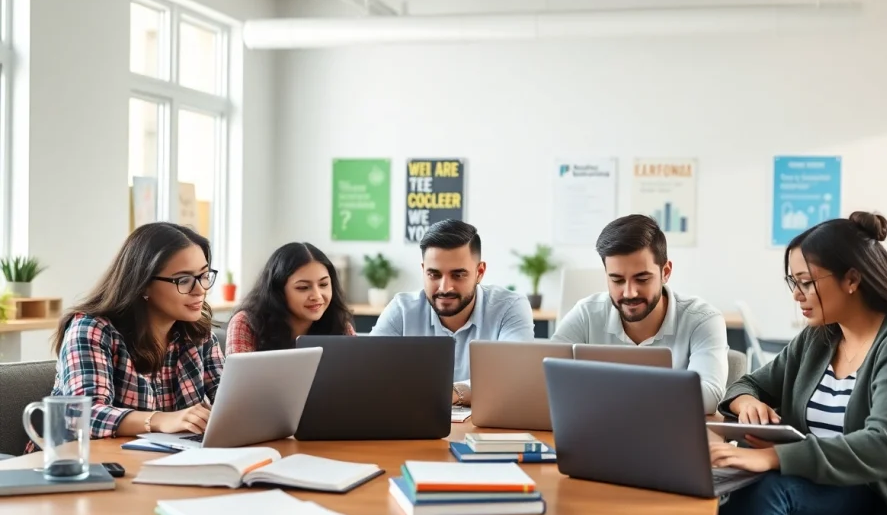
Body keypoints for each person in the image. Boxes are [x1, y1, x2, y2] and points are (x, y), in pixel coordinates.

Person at [710, 211, 887, 515]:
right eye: (793, 282)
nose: (797, 295)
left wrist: (772, 457)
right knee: (746, 489)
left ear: (852, 279)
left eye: (806, 282)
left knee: (768, 492)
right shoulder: (821, 337)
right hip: (823, 494)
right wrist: (746, 401)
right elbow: (747, 383)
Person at [29, 222, 224, 451]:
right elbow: (82, 415)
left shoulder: (199, 334)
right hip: (75, 462)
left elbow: (231, 400)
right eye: (183, 280)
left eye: (203, 275)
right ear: (143, 284)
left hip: (163, 461)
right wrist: (161, 420)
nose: (200, 289)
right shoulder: (91, 329)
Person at [551, 214, 729, 414]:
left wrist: (603, 392)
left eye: (642, 279)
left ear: (665, 272)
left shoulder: (702, 319)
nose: (629, 293)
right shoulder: (586, 313)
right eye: (617, 280)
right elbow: (544, 377)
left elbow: (709, 395)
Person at [370, 219, 534, 406]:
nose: (445, 287)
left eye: (458, 275)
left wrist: (453, 393)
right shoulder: (402, 309)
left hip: (488, 424)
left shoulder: (509, 307)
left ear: (480, 272)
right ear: (423, 271)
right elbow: (371, 373)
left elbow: (515, 378)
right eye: (434, 274)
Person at [226, 242, 355, 354]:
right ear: (278, 290)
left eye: (323, 284)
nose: (317, 296)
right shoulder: (247, 323)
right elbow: (241, 375)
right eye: (303, 287)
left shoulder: (339, 325)